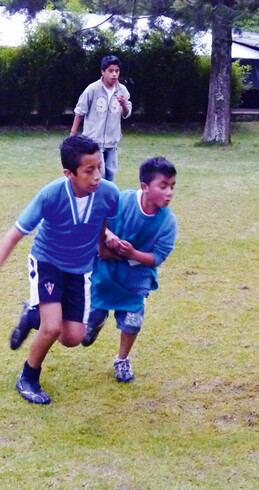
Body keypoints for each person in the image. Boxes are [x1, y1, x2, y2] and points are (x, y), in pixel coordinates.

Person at [2, 135, 119, 405]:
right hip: (48, 263)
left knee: (73, 338)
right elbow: (14, 234)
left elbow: (101, 220)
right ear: (69, 173)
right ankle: (28, 377)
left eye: (99, 167)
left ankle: (32, 316)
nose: (97, 175)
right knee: (52, 328)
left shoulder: (109, 194)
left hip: (80, 269)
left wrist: (103, 244)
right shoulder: (51, 194)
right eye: (89, 170)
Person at [81, 157, 177, 383]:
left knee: (133, 321)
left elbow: (157, 257)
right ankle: (98, 319)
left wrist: (132, 253)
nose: (169, 192)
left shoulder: (168, 222)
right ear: (144, 187)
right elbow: (96, 222)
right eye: (163, 186)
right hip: (105, 272)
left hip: (137, 277)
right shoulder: (120, 201)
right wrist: (107, 239)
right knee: (86, 332)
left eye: (172, 186)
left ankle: (122, 359)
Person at [70, 55, 132, 182]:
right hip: (93, 141)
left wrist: (123, 104)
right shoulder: (93, 89)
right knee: (99, 175)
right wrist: (73, 133)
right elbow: (80, 111)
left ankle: (107, 200)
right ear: (103, 72)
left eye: (117, 71)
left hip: (112, 141)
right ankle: (95, 199)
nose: (114, 74)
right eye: (110, 71)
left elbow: (127, 113)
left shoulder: (122, 90)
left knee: (111, 174)